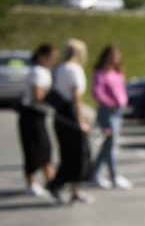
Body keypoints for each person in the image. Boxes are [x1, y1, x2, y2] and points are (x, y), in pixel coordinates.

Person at [46, 38, 94, 205]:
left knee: (68, 154)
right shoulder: (74, 69)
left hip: (60, 116)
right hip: (71, 115)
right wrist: (81, 121)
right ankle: (57, 184)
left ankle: (75, 190)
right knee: (77, 156)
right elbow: (76, 97)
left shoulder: (58, 68)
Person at [17, 43, 57, 198]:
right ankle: (39, 182)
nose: (51, 60)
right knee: (37, 149)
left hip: (39, 115)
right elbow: (37, 96)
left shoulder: (43, 71)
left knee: (44, 148)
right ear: (41, 56)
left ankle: (49, 181)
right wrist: (54, 99)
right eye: (49, 57)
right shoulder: (37, 72)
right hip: (31, 114)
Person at [90, 44, 132, 190]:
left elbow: (122, 89)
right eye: (112, 56)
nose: (115, 59)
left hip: (118, 112)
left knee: (107, 144)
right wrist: (110, 103)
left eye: (117, 56)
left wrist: (123, 101)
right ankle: (114, 176)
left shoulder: (118, 72)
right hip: (107, 112)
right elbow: (97, 92)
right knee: (109, 143)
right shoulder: (101, 72)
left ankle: (94, 174)